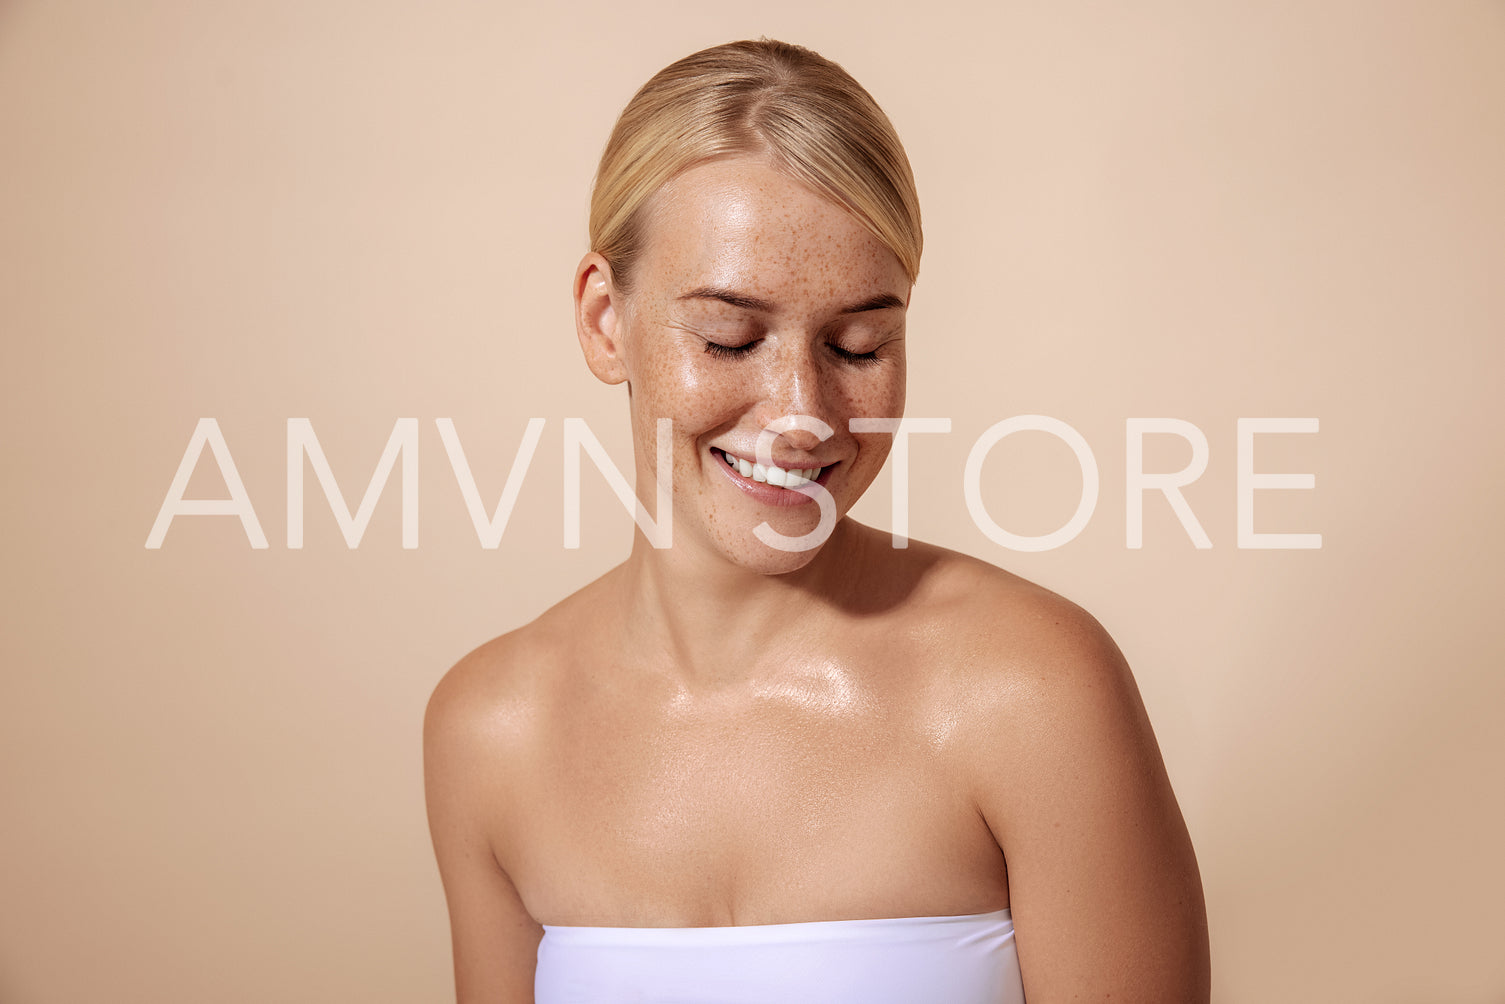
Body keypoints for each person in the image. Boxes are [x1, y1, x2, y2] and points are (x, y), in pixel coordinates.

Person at [424, 38, 1210, 1003]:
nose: (801, 411)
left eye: (858, 343)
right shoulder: (491, 732)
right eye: (729, 337)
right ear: (603, 320)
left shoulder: (1031, 693)